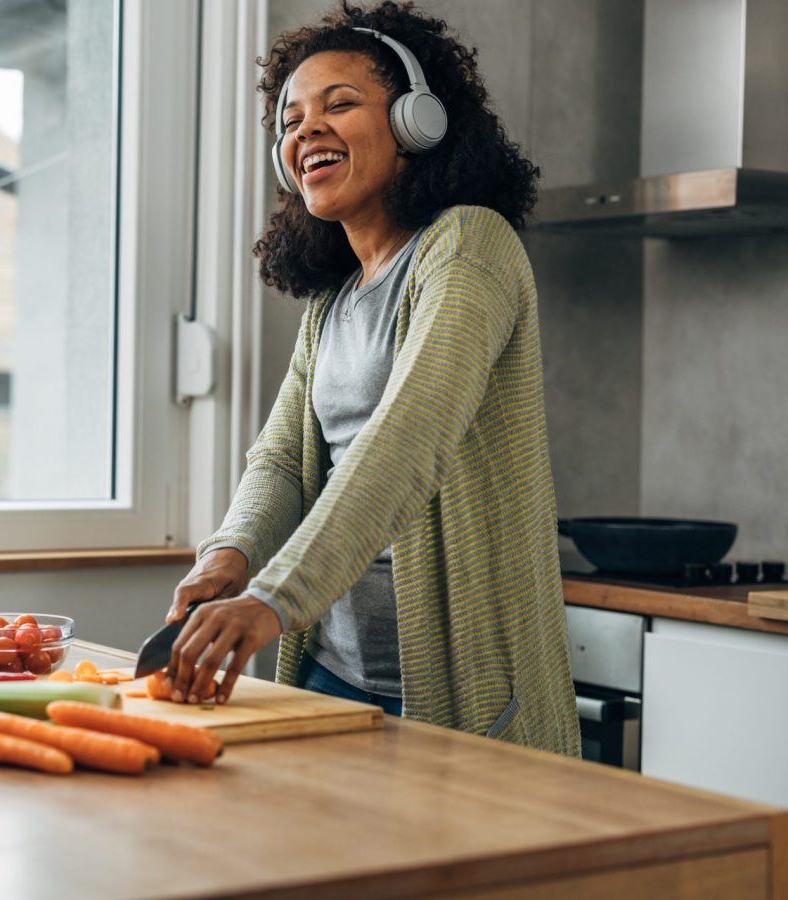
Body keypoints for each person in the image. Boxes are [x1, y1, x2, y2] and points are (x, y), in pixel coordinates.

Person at [164, 1, 579, 755]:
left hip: (457, 693)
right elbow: (284, 458)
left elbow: (406, 438)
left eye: (340, 104)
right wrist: (229, 555)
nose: (305, 131)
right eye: (290, 120)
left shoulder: (468, 248)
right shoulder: (334, 300)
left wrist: (271, 598)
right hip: (329, 671)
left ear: (418, 124)